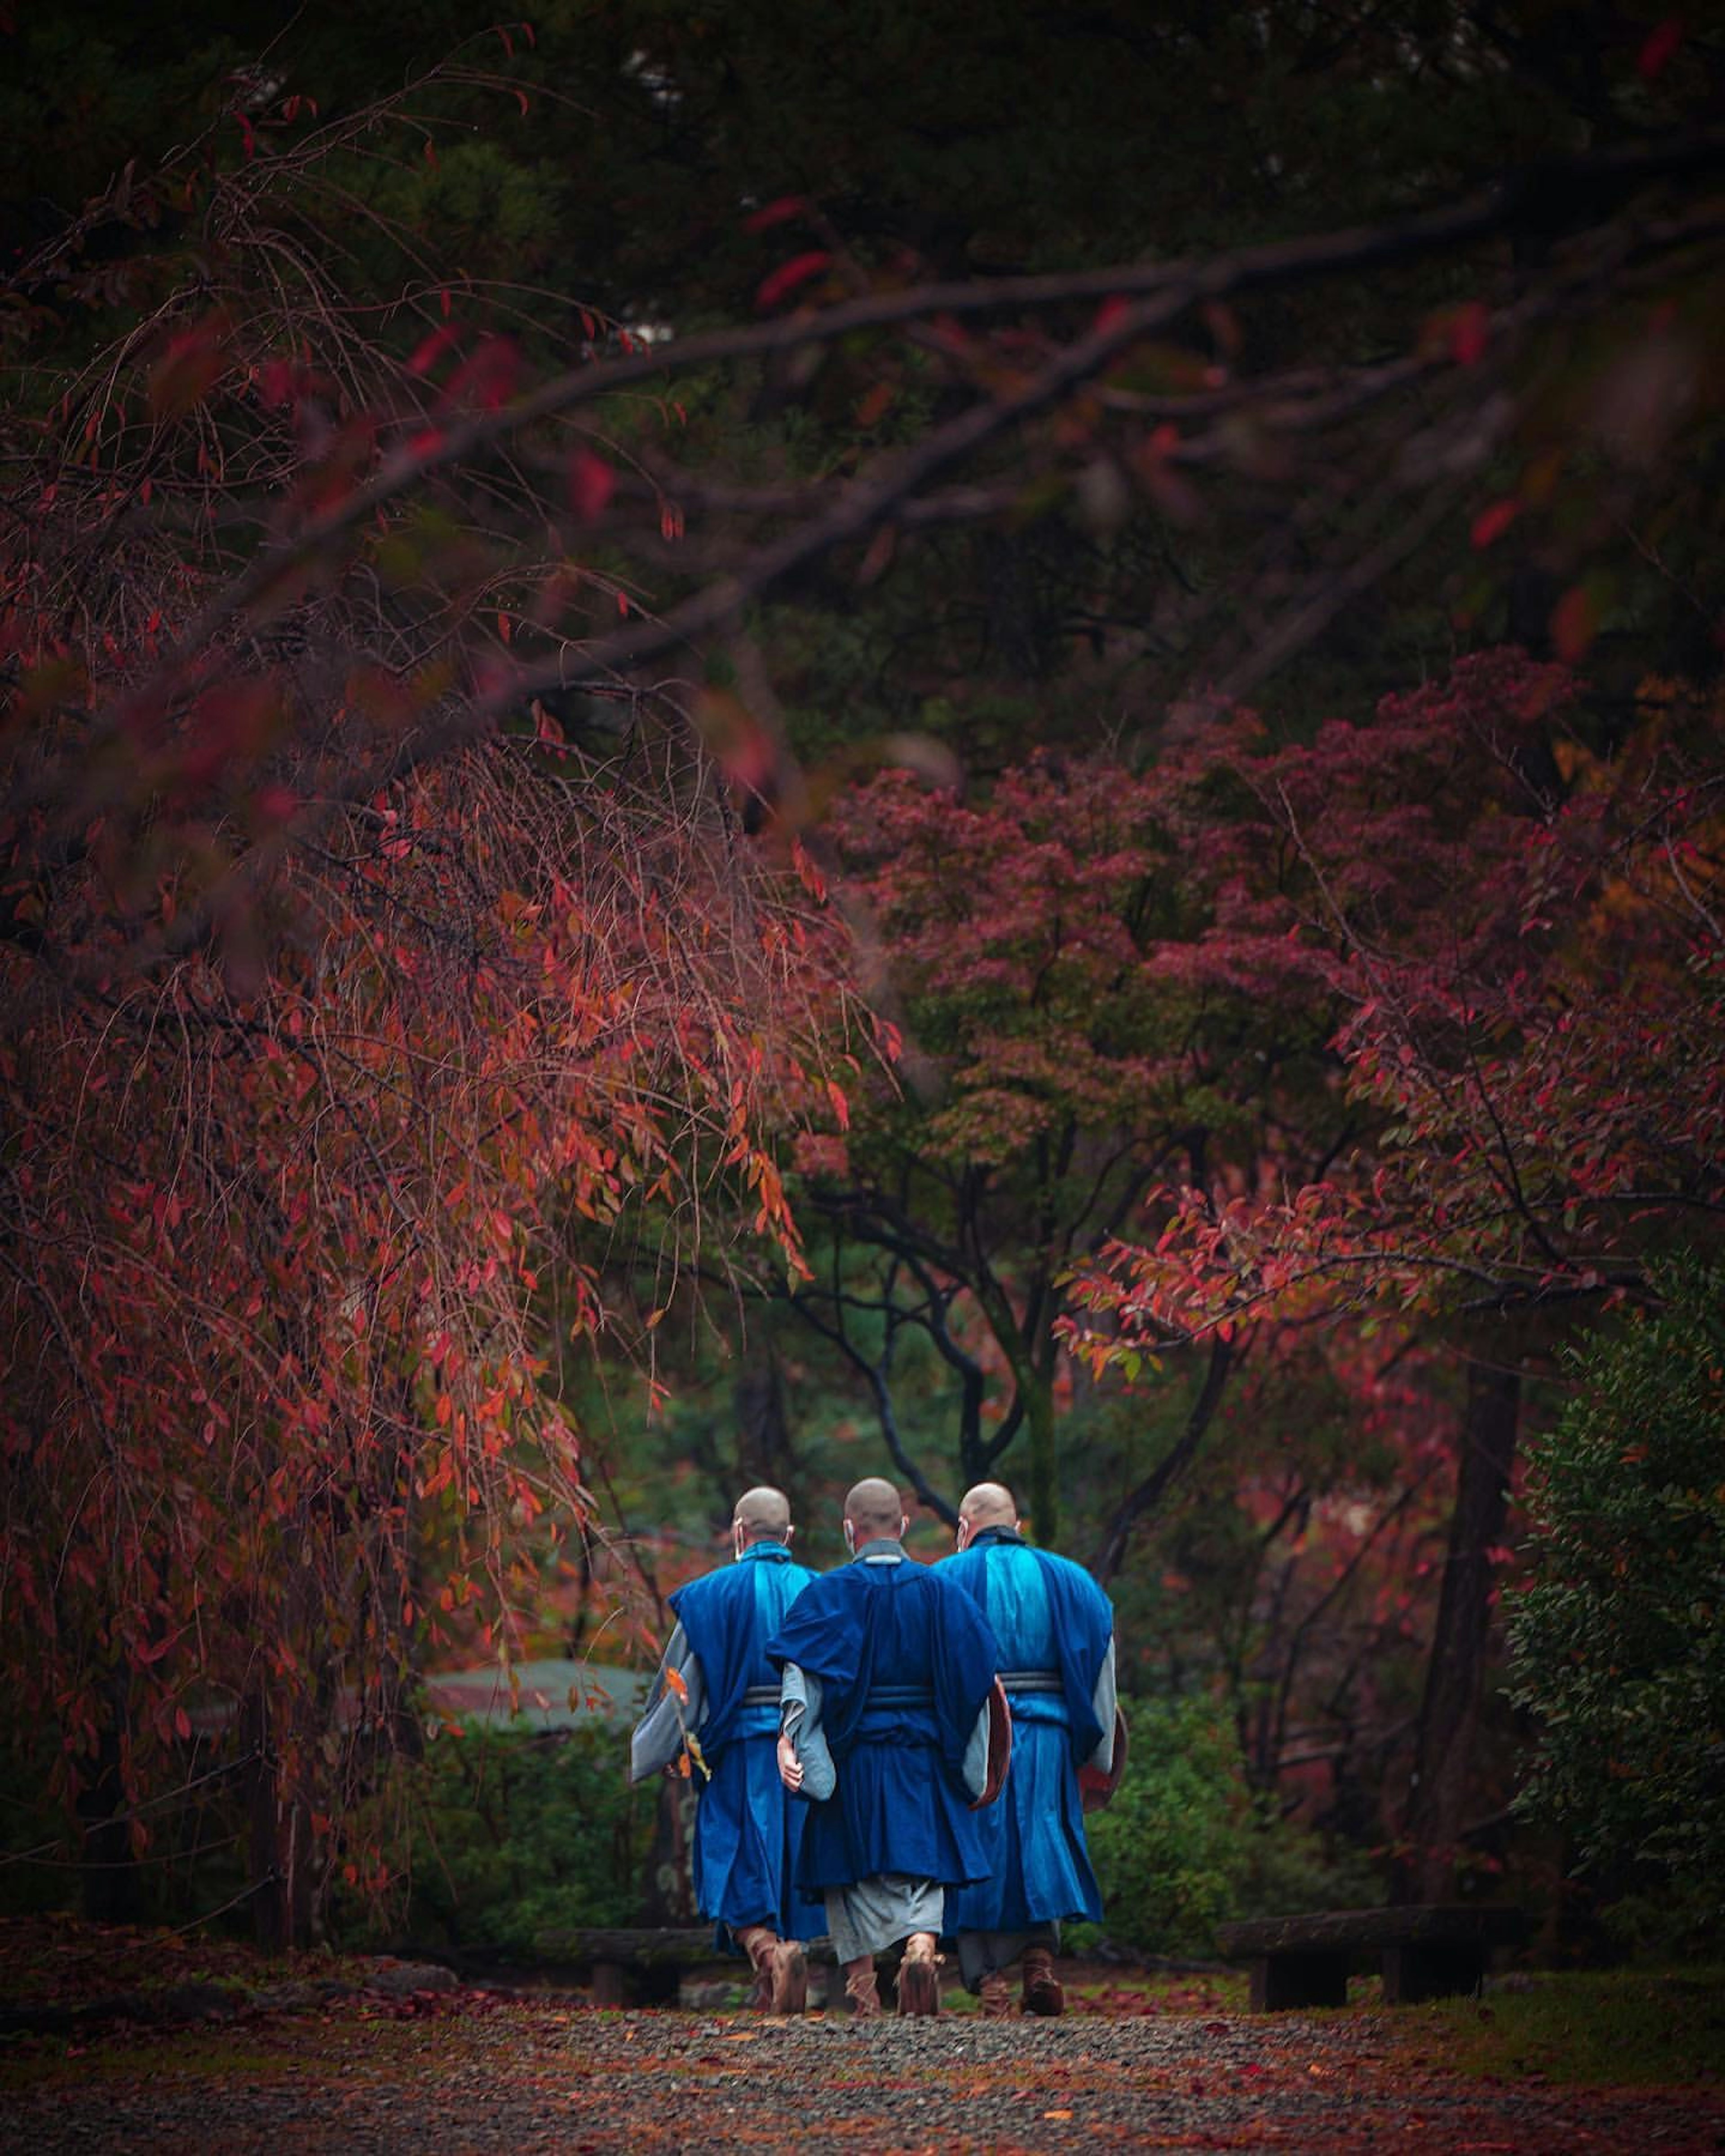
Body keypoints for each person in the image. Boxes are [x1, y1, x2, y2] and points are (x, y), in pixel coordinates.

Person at [769, 1477, 1005, 2019]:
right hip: (923, 1756)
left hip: (851, 1759)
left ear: (850, 1531)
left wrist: (792, 1743)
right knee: (924, 1867)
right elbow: (980, 1679)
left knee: (848, 1875)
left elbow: (802, 1684)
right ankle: (921, 1951)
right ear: (903, 1527)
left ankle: (863, 1992)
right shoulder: (943, 1592)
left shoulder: (826, 1595)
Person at [629, 1485, 822, 2012]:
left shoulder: (710, 1595)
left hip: (736, 1751)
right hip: (806, 1751)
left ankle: (768, 1956)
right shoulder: (823, 1592)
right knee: (796, 1859)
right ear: (790, 1535)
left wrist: (668, 1748)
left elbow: (681, 1687)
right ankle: (783, 1968)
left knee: (732, 1859)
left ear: (739, 1534)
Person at [940, 1480, 1118, 2017]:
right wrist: (1100, 1757)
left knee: (975, 1853)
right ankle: (1039, 1963)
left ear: (964, 1531)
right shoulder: (1074, 1581)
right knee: (1042, 1843)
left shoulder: (941, 1582)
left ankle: (991, 1983)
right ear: (1017, 1527)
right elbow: (1102, 1674)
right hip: (1049, 1738)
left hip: (975, 1741)